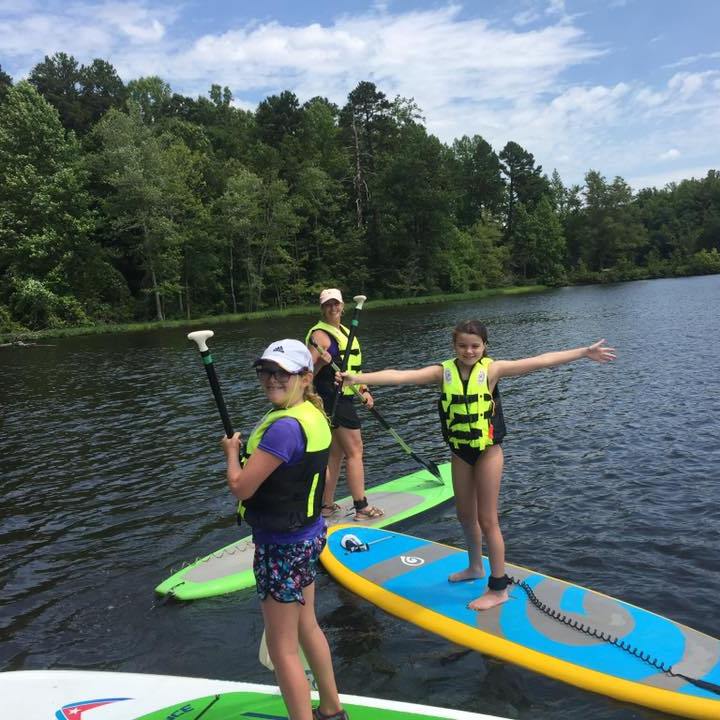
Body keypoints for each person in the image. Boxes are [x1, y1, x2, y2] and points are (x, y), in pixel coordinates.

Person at [337, 320, 616, 611]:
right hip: (460, 453)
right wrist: (357, 378)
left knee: (487, 519)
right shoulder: (442, 373)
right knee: (464, 516)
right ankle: (475, 567)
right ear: (454, 346)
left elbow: (539, 361)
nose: (469, 351)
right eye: (462, 346)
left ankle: (498, 588)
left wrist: (584, 352)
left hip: (488, 453)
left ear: (484, 347)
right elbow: (401, 376)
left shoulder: (493, 370)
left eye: (475, 346)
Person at [221, 338, 349, 720]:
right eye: (266, 372)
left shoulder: (283, 430)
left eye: (282, 373)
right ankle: (331, 709)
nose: (271, 380)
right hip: (309, 536)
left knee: (283, 648)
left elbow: (242, 487)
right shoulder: (315, 417)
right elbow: (323, 474)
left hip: (281, 545)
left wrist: (231, 453)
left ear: (305, 376)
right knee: (307, 625)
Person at [305, 288, 383, 521]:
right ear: (322, 308)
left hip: (344, 396)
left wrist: (364, 389)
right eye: (327, 305)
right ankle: (361, 508)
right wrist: (322, 364)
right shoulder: (320, 336)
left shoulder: (347, 332)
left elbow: (353, 369)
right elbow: (305, 373)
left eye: (336, 304)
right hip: (330, 398)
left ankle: (326, 506)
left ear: (342, 306)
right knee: (355, 451)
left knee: (336, 454)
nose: (332, 308)